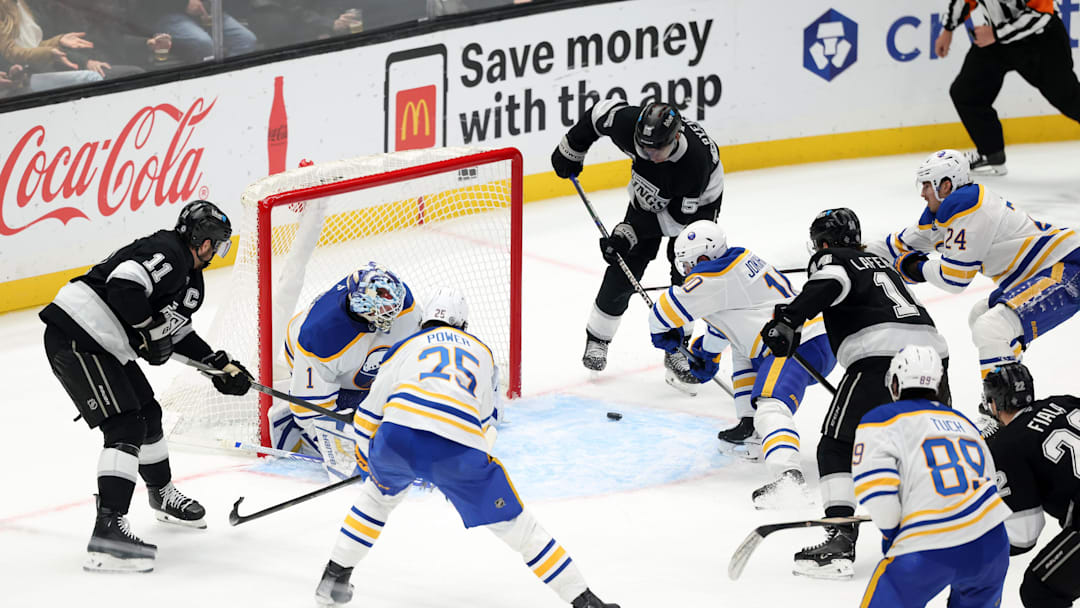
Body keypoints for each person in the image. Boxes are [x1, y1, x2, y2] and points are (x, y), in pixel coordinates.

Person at [314, 287, 619, 608]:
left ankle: (332, 580)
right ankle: (585, 601)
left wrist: (371, 464)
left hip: (397, 440)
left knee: (376, 499)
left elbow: (368, 416)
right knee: (520, 528)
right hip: (458, 451)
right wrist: (449, 468)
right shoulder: (484, 354)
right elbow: (488, 426)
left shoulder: (404, 347)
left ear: (425, 320)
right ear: (463, 325)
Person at [39, 200, 252, 573]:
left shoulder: (189, 278)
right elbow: (123, 286)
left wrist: (217, 366)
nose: (216, 252)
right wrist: (151, 330)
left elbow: (172, 332)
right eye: (215, 243)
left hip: (104, 342)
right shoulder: (168, 251)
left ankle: (161, 494)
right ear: (201, 240)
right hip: (78, 334)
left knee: (148, 415)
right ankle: (108, 530)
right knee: (124, 425)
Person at [760, 207, 949, 579]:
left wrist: (786, 320)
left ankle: (839, 539)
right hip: (934, 357)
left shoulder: (832, 259)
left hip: (880, 357)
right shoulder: (880, 261)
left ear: (824, 242)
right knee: (922, 441)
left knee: (836, 444)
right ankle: (939, 523)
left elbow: (828, 283)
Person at [647, 219, 836, 508]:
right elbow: (731, 324)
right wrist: (708, 354)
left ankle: (789, 478)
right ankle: (751, 427)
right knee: (743, 349)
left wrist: (665, 334)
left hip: (797, 345)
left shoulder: (714, 277)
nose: (684, 271)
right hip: (809, 337)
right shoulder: (737, 261)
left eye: (686, 263)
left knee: (771, 404)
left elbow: (662, 313)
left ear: (702, 258)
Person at [550, 100, 725, 391]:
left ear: (676, 137)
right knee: (625, 263)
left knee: (686, 270)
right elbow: (597, 115)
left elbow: (676, 222)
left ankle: (678, 345)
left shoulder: (693, 166)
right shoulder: (629, 126)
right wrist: (572, 148)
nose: (649, 154)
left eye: (656, 149)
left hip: (697, 207)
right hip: (651, 193)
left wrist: (627, 231)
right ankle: (598, 338)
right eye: (644, 147)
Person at [876, 149, 1080, 383]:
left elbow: (954, 279)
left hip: (1067, 269)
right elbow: (897, 245)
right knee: (982, 316)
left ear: (946, 185)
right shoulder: (946, 211)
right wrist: (844, 251)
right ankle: (1009, 396)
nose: (922, 193)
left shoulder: (970, 208)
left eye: (926, 185)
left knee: (992, 326)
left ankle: (1008, 407)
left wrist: (916, 268)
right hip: (1046, 272)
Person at [854, 345, 1010, 607]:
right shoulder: (965, 423)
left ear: (895, 382)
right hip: (991, 544)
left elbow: (877, 490)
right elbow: (989, 483)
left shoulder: (880, 419)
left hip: (928, 548)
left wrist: (893, 534)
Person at [272, 262, 422, 480]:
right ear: (362, 306)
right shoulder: (320, 335)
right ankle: (301, 436)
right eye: (381, 314)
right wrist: (340, 451)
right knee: (340, 420)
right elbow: (310, 411)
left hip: (359, 361)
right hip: (309, 359)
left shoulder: (400, 300)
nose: (389, 317)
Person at [936, 0, 1080, 175]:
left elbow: (1042, 14)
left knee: (1069, 98)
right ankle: (991, 154)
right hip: (996, 40)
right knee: (966, 93)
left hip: (1040, 40)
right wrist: (948, 29)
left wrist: (996, 34)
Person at [983, 362, 1080, 607]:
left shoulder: (1007, 445)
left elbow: (1024, 535)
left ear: (994, 403)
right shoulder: (1065, 401)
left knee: (1040, 590)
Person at [136, 0, 256, 63]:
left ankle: (232, 82)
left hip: (207, 11)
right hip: (169, 14)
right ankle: (210, 90)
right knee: (204, 44)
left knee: (245, 40)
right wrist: (184, 4)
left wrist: (208, 4)